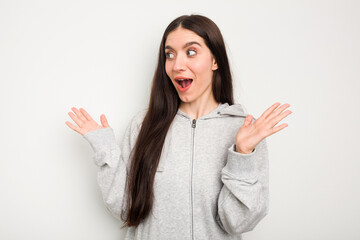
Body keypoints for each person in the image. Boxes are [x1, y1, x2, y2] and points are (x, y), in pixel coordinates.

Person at [65, 14, 292, 240]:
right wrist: (107, 151)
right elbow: (127, 209)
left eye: (190, 52)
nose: (177, 65)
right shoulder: (144, 125)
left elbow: (237, 222)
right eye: (169, 55)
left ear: (215, 60)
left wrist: (242, 154)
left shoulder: (244, 131)